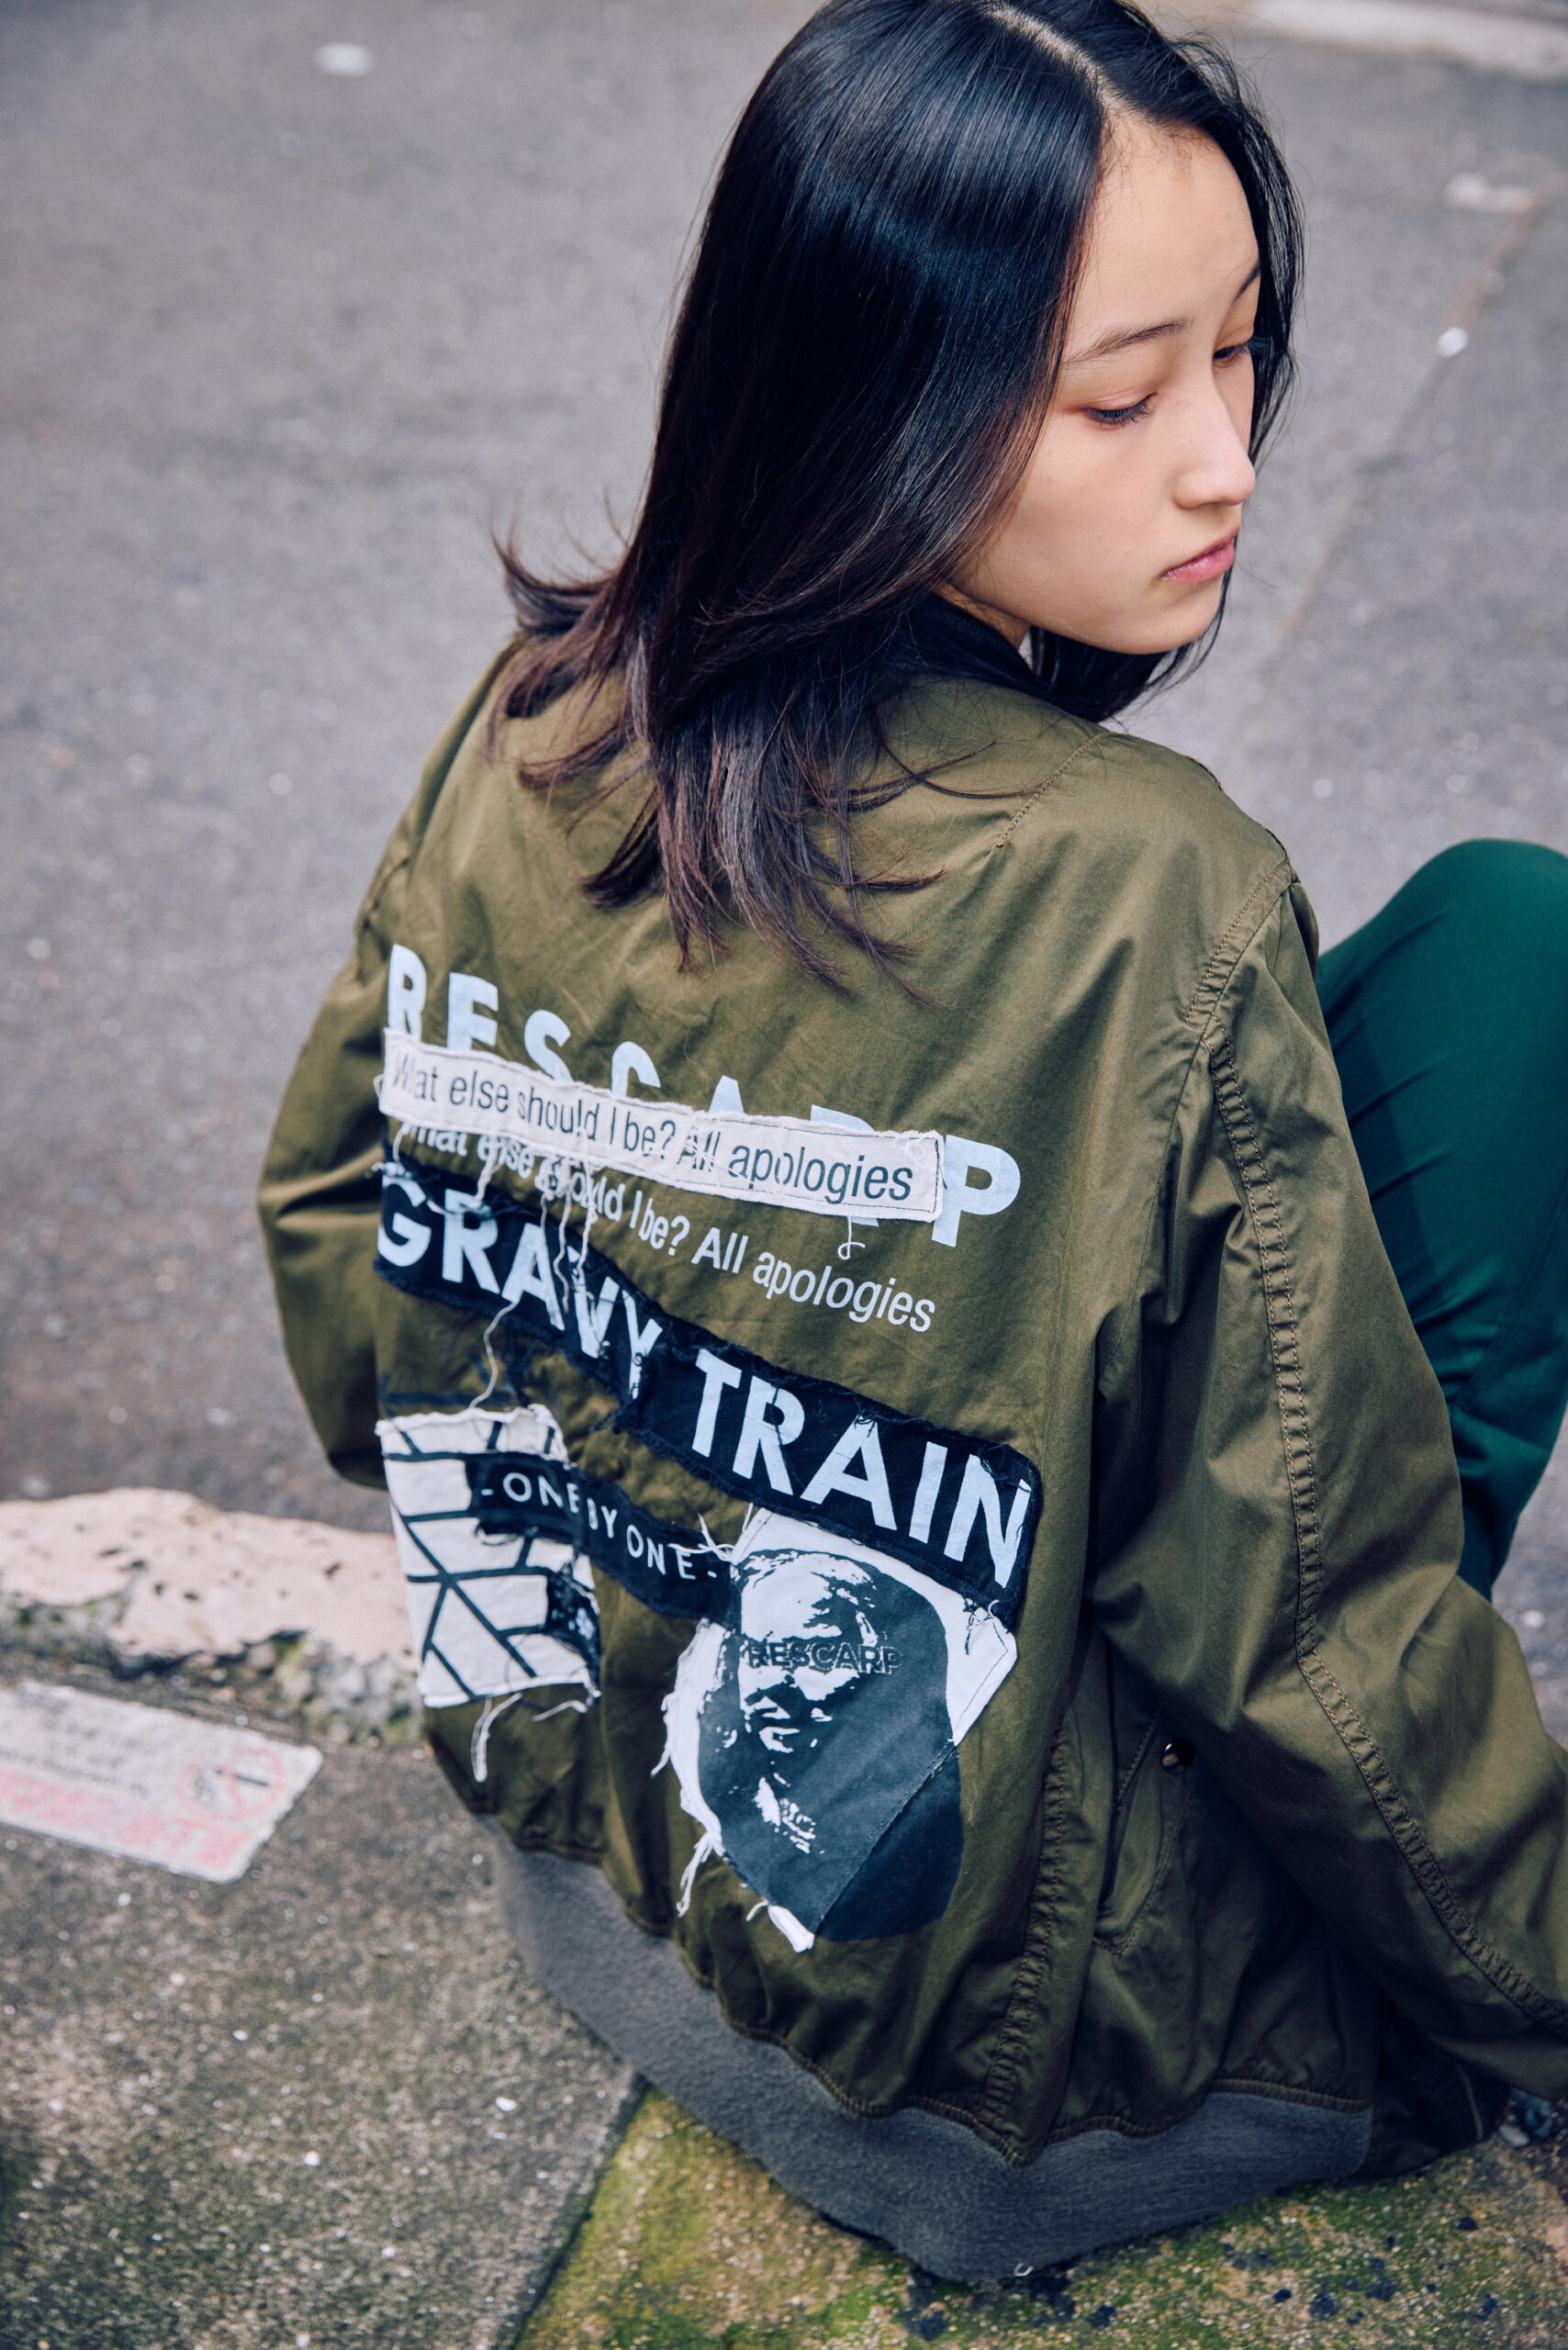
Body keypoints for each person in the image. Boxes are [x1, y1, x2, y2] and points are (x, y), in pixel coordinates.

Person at [258, 0, 1568, 2281]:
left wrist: (668, 1386)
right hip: (1039, 2081)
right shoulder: (1145, 890)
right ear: (876, 399)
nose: (1222, 463)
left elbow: (340, 1262)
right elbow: (1311, 1642)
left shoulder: (534, 715)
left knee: (1415, 989)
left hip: (599, 1896)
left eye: (1238, 353)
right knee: (1518, 951)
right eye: (1117, 398)